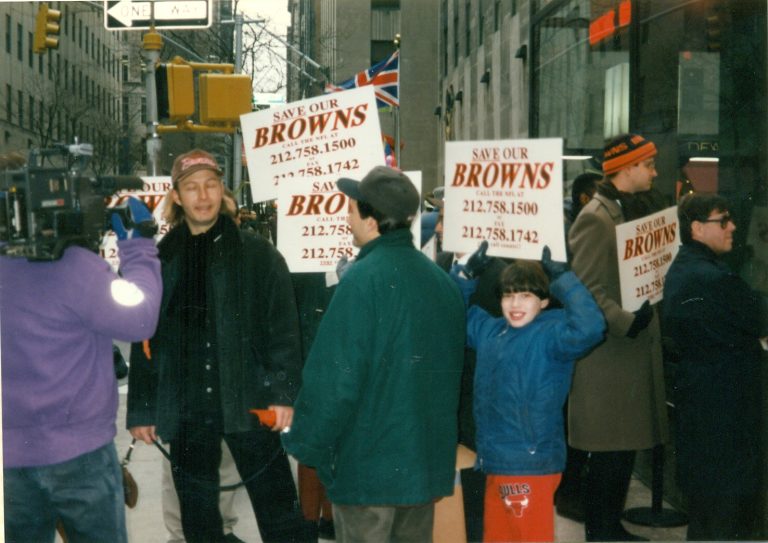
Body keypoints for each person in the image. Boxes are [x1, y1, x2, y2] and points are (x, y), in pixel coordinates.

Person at [127, 149, 313, 543]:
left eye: (211, 184)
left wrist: (283, 394)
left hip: (251, 402)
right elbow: (143, 338)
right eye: (192, 187)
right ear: (176, 196)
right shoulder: (160, 259)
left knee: (281, 515)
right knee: (198, 523)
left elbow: (284, 330)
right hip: (188, 410)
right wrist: (141, 409)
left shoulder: (258, 254)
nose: (203, 195)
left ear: (222, 191)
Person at [282, 166, 466, 543]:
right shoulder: (442, 283)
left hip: (368, 469)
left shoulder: (361, 282)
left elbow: (335, 380)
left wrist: (305, 442)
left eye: (351, 209)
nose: (347, 218)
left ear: (370, 219)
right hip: (422, 467)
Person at [2, 196, 162, 543]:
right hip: (80, 454)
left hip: (8, 458)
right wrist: (138, 248)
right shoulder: (78, 267)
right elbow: (141, 318)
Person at [451, 247, 605, 542]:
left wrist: (563, 278)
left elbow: (591, 328)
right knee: (498, 537)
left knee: (529, 537)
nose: (515, 303)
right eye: (508, 295)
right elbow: (452, 314)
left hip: (529, 464)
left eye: (525, 295)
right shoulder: (491, 331)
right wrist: (464, 275)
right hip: (495, 461)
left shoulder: (553, 335)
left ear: (544, 301)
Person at [567, 133, 669, 542]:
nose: (655, 171)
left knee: (621, 450)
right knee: (610, 452)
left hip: (624, 355)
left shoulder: (623, 210)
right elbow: (587, 287)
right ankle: (602, 531)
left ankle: (609, 526)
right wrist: (627, 320)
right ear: (627, 168)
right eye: (648, 164)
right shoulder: (596, 216)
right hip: (610, 358)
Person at [663, 193, 767, 541]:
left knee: (708, 512)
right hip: (727, 410)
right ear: (696, 228)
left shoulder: (685, 268)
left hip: (703, 403)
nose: (732, 226)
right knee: (726, 511)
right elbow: (758, 314)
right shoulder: (713, 279)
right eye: (722, 220)